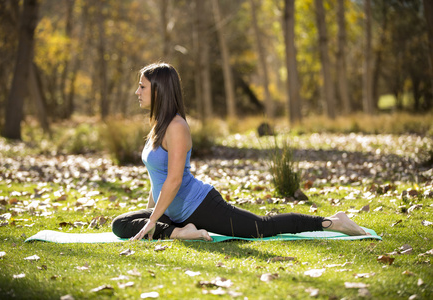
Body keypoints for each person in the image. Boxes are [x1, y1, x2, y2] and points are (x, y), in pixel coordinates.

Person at [112, 62, 368, 242]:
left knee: (262, 227)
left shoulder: (177, 127)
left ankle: (332, 222)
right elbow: (157, 177)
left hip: (200, 205)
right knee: (119, 224)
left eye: (142, 87)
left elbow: (175, 179)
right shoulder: (158, 124)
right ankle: (179, 232)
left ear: (159, 90)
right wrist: (153, 216)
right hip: (173, 213)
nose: (137, 92)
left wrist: (153, 221)